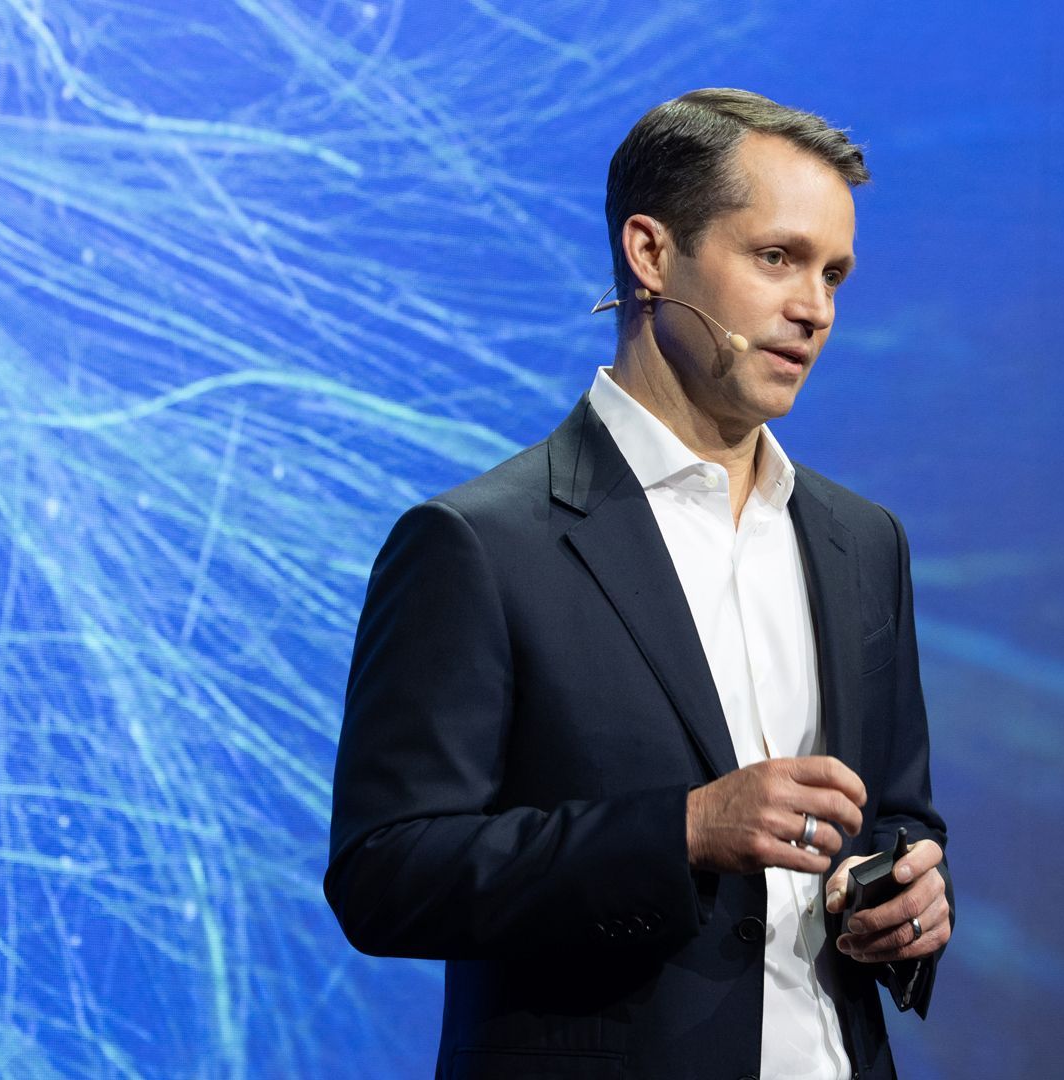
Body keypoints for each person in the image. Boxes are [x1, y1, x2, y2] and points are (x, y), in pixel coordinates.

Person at [325, 88, 953, 1080]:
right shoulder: (477, 545)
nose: (815, 309)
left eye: (835, 273)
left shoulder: (863, 542)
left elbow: (897, 819)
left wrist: (902, 899)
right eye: (777, 258)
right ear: (652, 254)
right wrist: (685, 832)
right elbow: (387, 875)